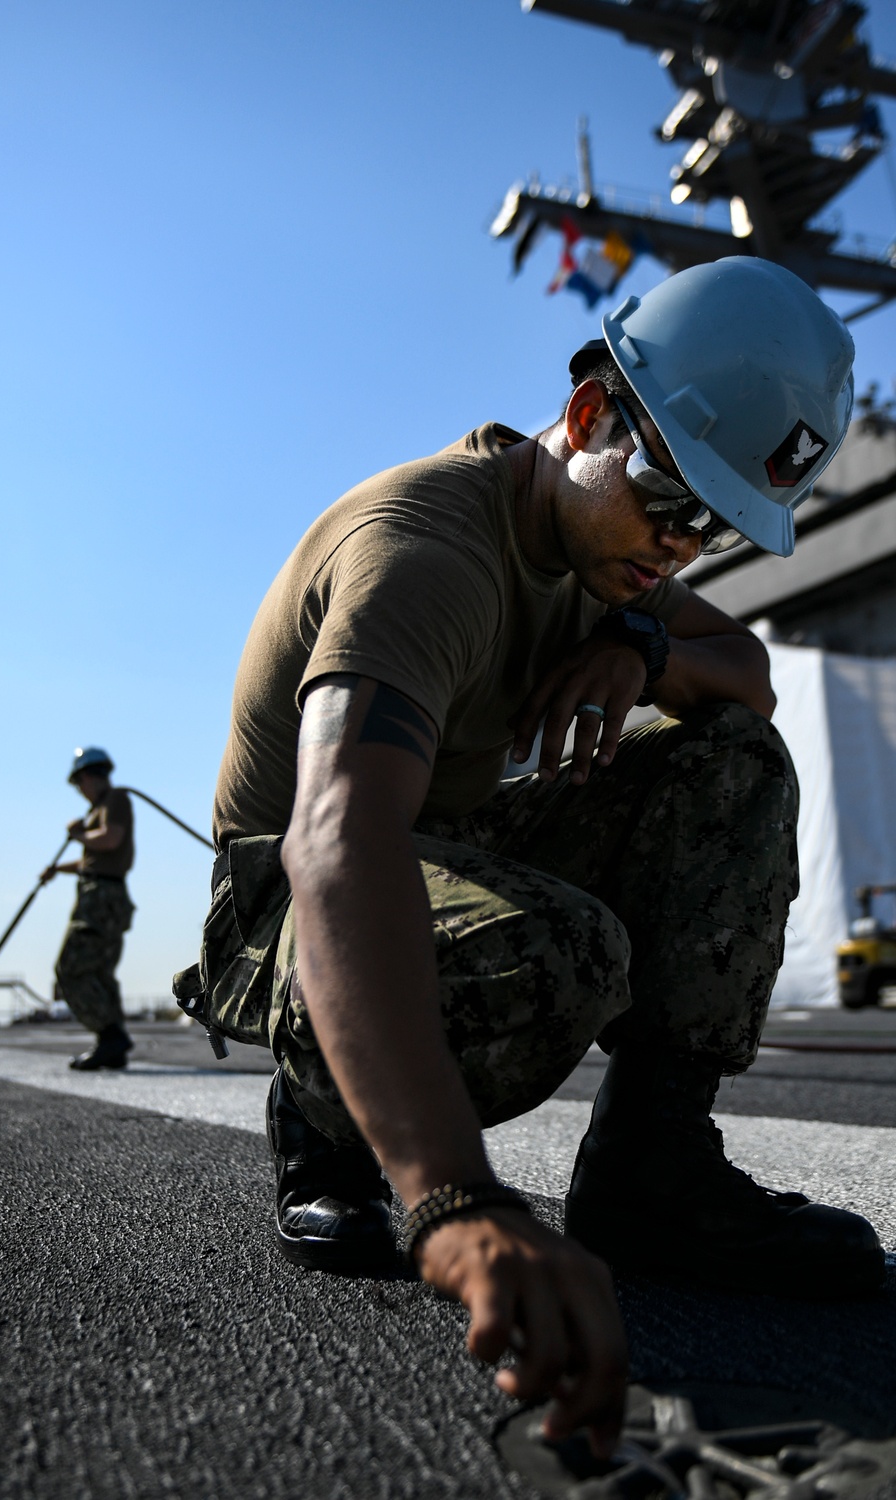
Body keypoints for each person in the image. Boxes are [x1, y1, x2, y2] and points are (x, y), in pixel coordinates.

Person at [175, 258, 883, 1450]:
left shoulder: (603, 557)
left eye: (714, 526)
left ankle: (652, 1174)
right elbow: (337, 836)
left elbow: (748, 675)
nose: (682, 547)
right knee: (555, 959)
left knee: (731, 757)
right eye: (671, 503)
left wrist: (645, 655)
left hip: (445, 843)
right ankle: (327, 1119)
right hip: (286, 898)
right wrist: (450, 1198)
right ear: (592, 414)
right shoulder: (425, 553)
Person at [42, 747, 136, 1071]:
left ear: (86, 777)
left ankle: (110, 1035)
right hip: (102, 893)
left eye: (78, 783)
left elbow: (109, 840)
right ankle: (113, 1045)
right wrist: (58, 870)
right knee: (99, 973)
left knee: (71, 968)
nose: (79, 790)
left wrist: (79, 834)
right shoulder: (101, 808)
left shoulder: (115, 800)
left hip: (102, 898)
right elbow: (92, 860)